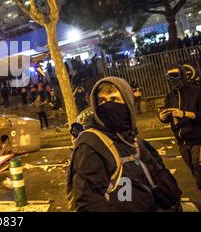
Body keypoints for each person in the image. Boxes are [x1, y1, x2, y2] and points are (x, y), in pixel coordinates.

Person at [67, 77, 181, 211]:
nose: (108, 105)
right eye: (102, 101)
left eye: (114, 99)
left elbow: (158, 175)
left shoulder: (133, 139)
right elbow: (89, 202)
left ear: (128, 103)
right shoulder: (90, 143)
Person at [159, 65, 201, 191]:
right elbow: (167, 118)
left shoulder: (196, 93)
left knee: (197, 165)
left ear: (183, 76)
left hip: (198, 140)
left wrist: (185, 114)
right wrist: (163, 117)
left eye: (175, 75)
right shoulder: (169, 97)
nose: (172, 79)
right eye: (169, 76)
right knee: (194, 170)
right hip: (182, 142)